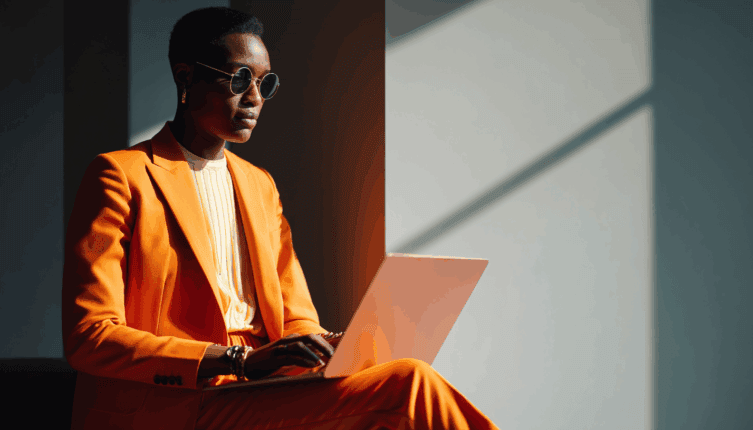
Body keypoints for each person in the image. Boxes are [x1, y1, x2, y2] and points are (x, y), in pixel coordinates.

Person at [62, 6, 499, 430]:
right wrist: (236, 360)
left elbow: (296, 316)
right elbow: (90, 336)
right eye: (238, 79)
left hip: (262, 387)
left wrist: (323, 346)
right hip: (174, 405)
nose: (254, 98)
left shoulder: (259, 185)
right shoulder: (121, 175)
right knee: (408, 387)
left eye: (263, 83)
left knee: (397, 377)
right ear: (186, 76)